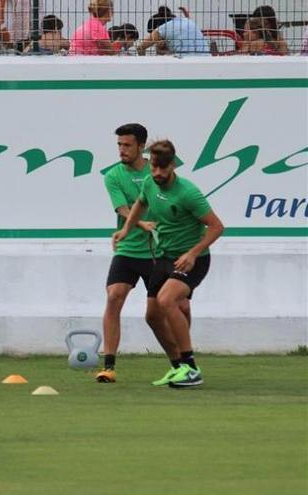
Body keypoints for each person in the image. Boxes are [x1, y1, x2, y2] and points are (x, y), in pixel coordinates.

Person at [113, 140, 224, 388]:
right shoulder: (150, 184)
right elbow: (141, 203)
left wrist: (193, 253)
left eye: (163, 168)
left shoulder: (188, 193)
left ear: (173, 165)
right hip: (164, 257)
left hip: (191, 260)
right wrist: (126, 230)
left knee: (167, 300)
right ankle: (178, 367)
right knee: (152, 316)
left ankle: (192, 369)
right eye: (153, 167)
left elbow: (217, 227)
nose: (157, 173)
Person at [97, 124, 182, 383]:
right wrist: (140, 223)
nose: (122, 150)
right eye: (119, 145)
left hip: (158, 252)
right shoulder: (112, 176)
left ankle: (181, 364)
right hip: (127, 249)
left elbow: (172, 200)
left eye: (127, 145)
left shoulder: (158, 171)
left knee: (156, 315)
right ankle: (109, 366)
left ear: (141, 146)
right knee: (114, 296)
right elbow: (122, 209)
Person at [137, 6, 210, 56]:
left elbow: (140, 47)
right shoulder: (186, 21)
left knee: (160, 48)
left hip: (185, 63)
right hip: (206, 59)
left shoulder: (162, 29)